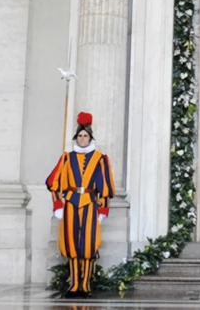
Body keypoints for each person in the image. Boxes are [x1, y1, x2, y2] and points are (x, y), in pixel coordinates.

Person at [45, 112, 116, 298]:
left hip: (91, 204)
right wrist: (57, 206)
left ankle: (85, 284)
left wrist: (103, 210)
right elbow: (53, 183)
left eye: (85, 136)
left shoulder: (100, 159)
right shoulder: (67, 158)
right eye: (80, 136)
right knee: (72, 245)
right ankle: (74, 284)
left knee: (88, 245)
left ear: (90, 137)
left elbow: (106, 186)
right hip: (70, 204)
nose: (82, 139)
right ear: (76, 138)